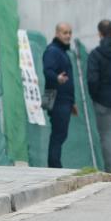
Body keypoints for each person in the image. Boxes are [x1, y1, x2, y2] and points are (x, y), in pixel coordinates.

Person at [42, 22, 76, 168]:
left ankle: (54, 165)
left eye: (69, 33)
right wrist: (57, 78)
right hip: (57, 99)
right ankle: (54, 166)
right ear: (57, 33)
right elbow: (48, 71)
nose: (68, 36)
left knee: (60, 134)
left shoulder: (62, 52)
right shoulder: (52, 51)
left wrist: (72, 102)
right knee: (58, 134)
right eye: (64, 32)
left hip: (64, 100)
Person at [87, 19, 111, 172]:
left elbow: (92, 79)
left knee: (106, 137)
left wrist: (95, 96)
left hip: (102, 101)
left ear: (99, 34)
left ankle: (110, 171)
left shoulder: (95, 54)